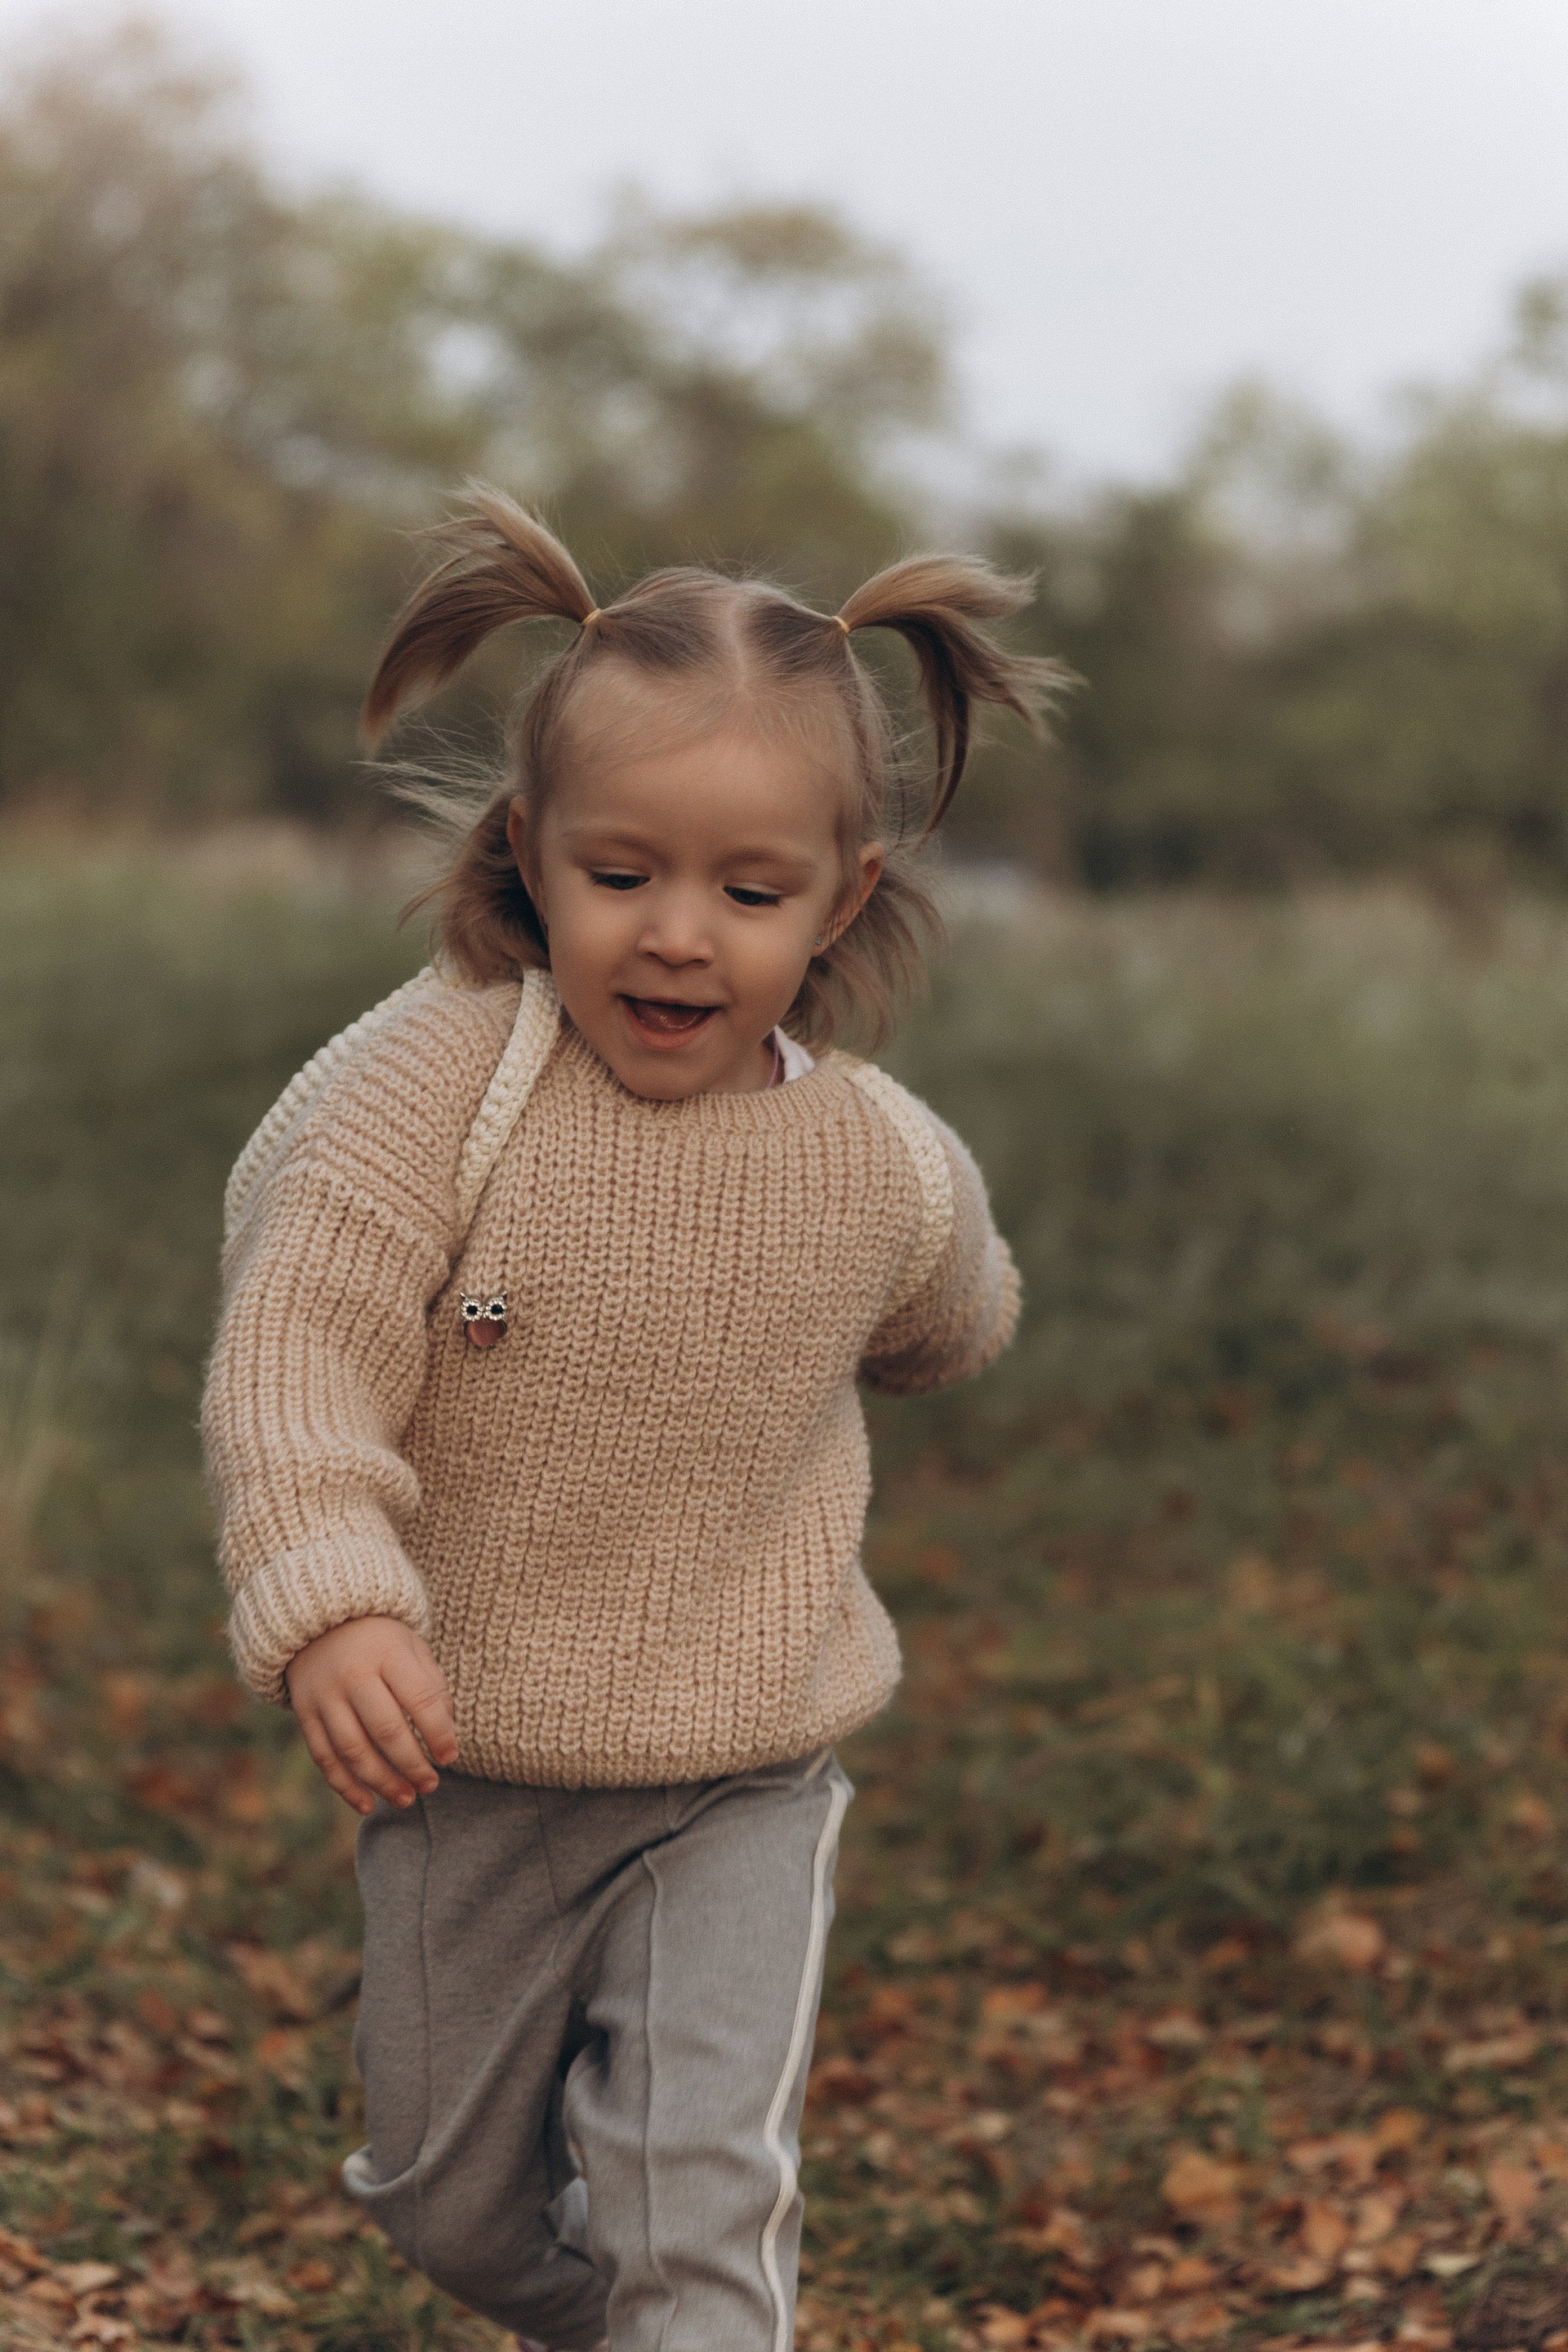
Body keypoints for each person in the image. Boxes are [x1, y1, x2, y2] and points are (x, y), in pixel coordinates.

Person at [202, 486, 1058, 2352]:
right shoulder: (439, 1083)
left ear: (842, 897)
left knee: (699, 2196)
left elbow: (954, 1313)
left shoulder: (874, 1154)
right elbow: (298, 1351)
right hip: (472, 1775)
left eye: (750, 894)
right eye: (621, 875)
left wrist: (875, 1316)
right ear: (529, 851)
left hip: (746, 1771)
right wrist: (334, 1596)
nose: (679, 937)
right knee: (448, 2203)